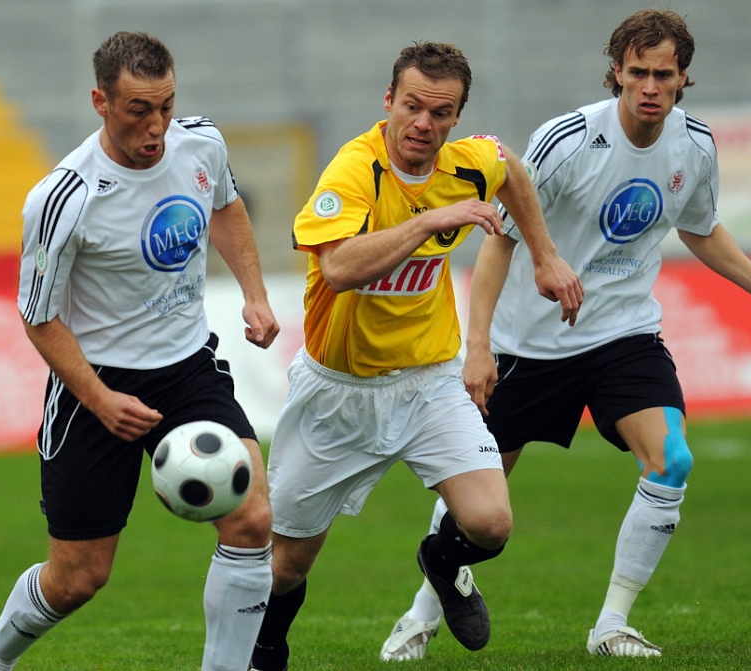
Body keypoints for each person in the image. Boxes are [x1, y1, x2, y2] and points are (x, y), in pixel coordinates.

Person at [380, 8, 751, 661]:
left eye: (662, 73)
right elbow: (497, 241)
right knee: (480, 504)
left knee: (673, 459)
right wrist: (477, 347)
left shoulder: (694, 145)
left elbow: (699, 227)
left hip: (623, 335)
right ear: (616, 72)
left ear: (682, 79)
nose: (648, 85)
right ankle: (421, 611)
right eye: (636, 71)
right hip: (528, 342)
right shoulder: (568, 139)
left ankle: (612, 621)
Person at [247, 41, 583, 671]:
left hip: (429, 382)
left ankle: (444, 560)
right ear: (388, 102)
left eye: (441, 112)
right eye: (412, 107)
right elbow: (340, 267)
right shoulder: (354, 170)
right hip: (337, 391)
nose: (423, 125)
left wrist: (543, 253)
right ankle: (267, 645)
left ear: (457, 115)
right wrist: (430, 222)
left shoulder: (467, 163)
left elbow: (509, 167)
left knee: (490, 524)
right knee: (286, 565)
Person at [0, 31, 279, 671]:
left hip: (190, 368)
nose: (158, 125)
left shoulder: (202, 143)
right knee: (78, 577)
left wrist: (254, 293)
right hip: (96, 385)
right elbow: (38, 317)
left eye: (166, 105)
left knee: (251, 520)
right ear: (100, 103)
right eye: (139, 109)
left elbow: (226, 206)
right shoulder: (63, 198)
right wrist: (100, 398)